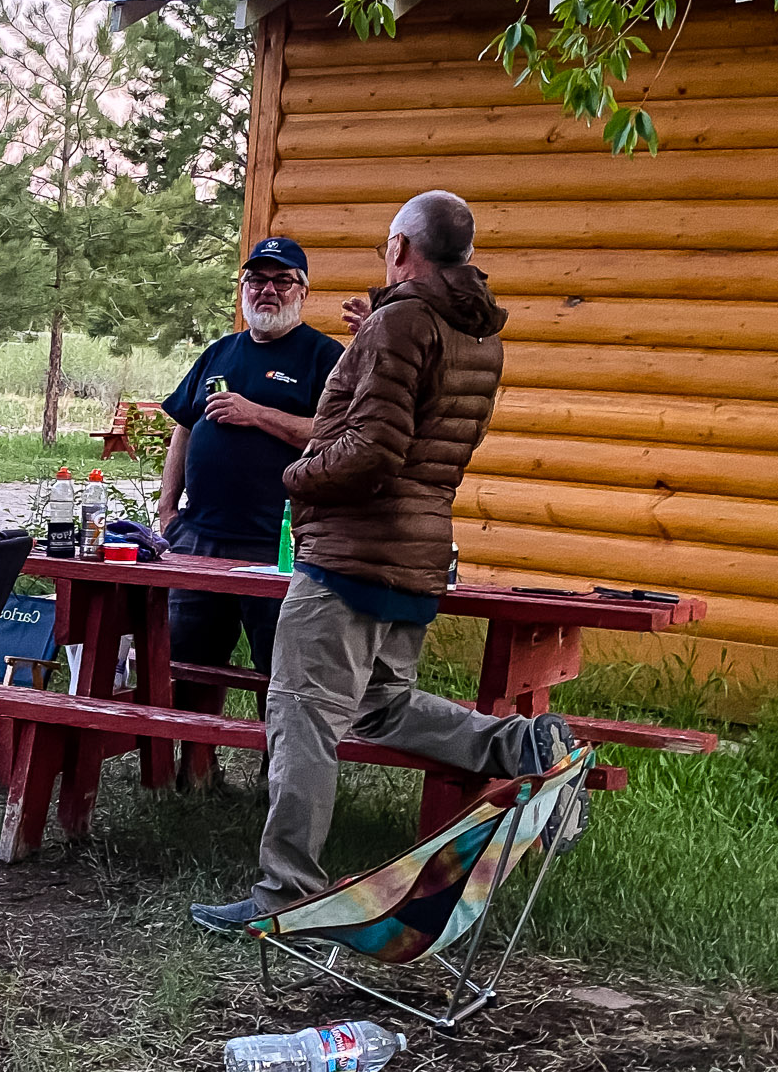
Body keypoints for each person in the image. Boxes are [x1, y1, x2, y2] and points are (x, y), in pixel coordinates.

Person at [190, 192, 581, 933]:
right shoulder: (477, 334)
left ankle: (285, 895)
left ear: (404, 247)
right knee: (383, 706)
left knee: (301, 713)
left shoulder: (403, 321)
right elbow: (432, 442)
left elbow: (371, 452)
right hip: (419, 550)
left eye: (385, 247)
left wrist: (295, 477)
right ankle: (518, 742)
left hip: (350, 552)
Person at [156, 237, 345, 764]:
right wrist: (169, 509)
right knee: (190, 659)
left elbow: (336, 437)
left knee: (279, 668)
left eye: (281, 280)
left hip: (279, 540)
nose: (267, 291)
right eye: (256, 281)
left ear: (303, 291)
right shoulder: (221, 351)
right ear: (242, 289)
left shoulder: (324, 357)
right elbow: (184, 428)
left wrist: (256, 413)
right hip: (201, 535)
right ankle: (195, 768)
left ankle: (277, 775)